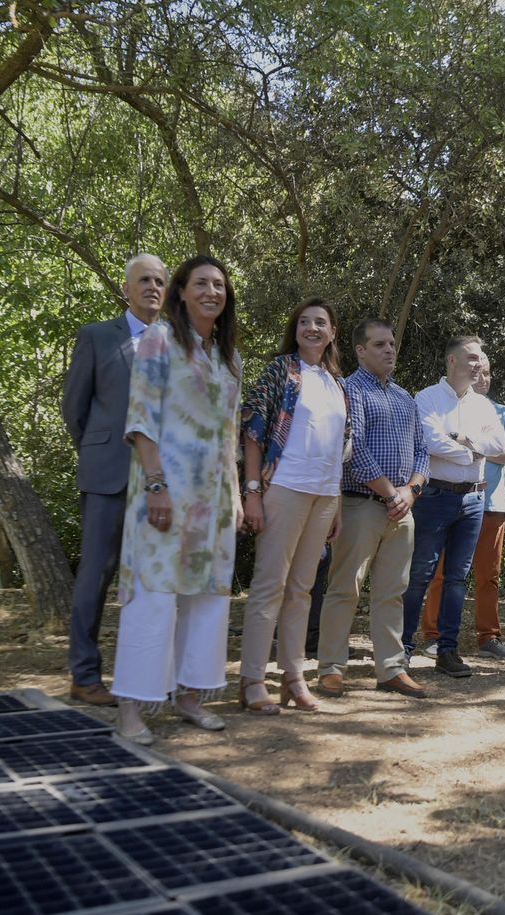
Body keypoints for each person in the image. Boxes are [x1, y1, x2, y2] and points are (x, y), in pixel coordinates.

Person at [108, 256, 241, 742]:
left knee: (206, 598)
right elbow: (141, 419)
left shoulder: (229, 359)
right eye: (201, 283)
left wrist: (236, 496)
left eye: (219, 285)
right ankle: (130, 709)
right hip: (165, 492)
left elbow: (229, 435)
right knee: (155, 596)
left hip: (215, 500)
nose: (212, 292)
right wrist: (156, 485)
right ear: (180, 292)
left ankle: (189, 696)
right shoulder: (158, 340)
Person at [61, 253, 168, 707]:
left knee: (154, 578)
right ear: (126, 289)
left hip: (162, 481)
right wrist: (101, 450)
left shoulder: (176, 343)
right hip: (107, 473)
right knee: (96, 573)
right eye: (143, 280)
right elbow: (74, 408)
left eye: (159, 281)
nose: (152, 287)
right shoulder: (96, 336)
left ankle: (143, 674)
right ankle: (85, 675)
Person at [238, 298, 351, 713]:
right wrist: (252, 491)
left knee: (302, 590)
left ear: (332, 332)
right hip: (283, 488)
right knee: (270, 585)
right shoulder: (281, 370)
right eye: (304, 322)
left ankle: (293, 678)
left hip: (324, 495)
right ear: (295, 330)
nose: (312, 328)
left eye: (320, 322)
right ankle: (252, 680)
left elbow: (338, 450)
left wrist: (337, 505)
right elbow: (253, 430)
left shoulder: (337, 383)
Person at [316, 319, 429, 699]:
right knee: (344, 589)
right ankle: (331, 669)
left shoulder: (405, 397)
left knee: (392, 593)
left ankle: (391, 670)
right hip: (360, 506)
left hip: (402, 511)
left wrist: (411, 491)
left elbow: (422, 451)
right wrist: (391, 493)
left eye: (392, 343)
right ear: (360, 351)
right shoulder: (350, 390)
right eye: (380, 344)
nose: (389, 350)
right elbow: (354, 449)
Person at [402, 335, 505, 679]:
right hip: (434, 497)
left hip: (474, 499)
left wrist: (461, 440)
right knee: (420, 574)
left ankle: (447, 651)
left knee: (457, 579)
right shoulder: (427, 398)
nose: (478, 364)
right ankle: (402, 650)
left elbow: (499, 443)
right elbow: (431, 442)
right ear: (452, 361)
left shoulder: (483, 405)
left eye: (480, 359)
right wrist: (472, 451)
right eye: (472, 358)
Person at [417, 354, 505, 659]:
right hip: (449, 499)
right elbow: (434, 444)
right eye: (479, 371)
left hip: (492, 503)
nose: (483, 378)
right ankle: (434, 635)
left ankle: (488, 637)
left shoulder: (502, 413)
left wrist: (465, 441)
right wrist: (481, 445)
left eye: (488, 373)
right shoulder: (444, 407)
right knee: (441, 572)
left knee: (488, 575)